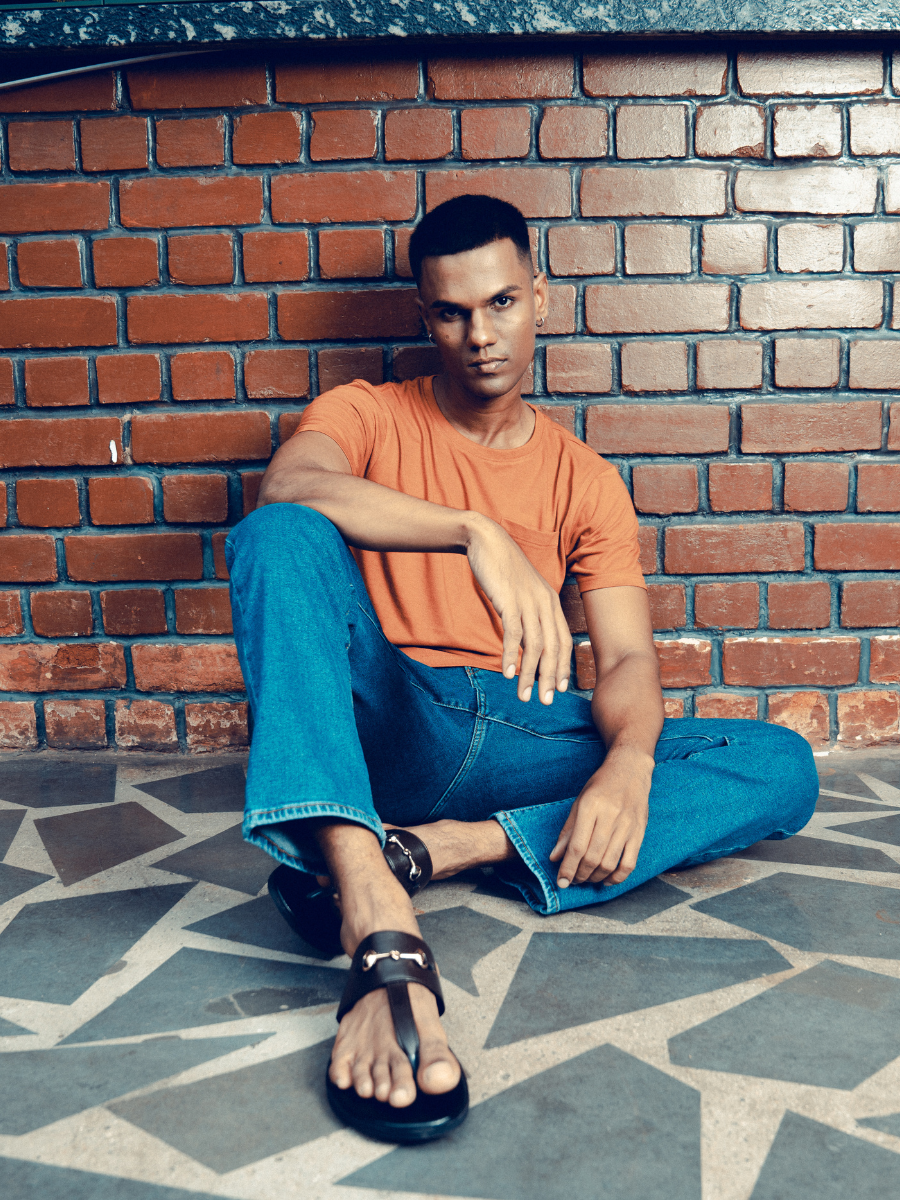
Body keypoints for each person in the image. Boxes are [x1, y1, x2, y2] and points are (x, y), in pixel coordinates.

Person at [225, 193, 819, 1143]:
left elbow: (624, 655)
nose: (479, 336)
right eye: (452, 312)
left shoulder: (585, 477)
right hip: (395, 715)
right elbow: (288, 486)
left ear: (541, 297)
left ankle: (444, 848)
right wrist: (475, 533)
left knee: (780, 764)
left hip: (520, 732)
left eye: (501, 303)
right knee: (279, 536)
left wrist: (626, 767)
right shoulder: (368, 414)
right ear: (426, 316)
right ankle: (376, 910)